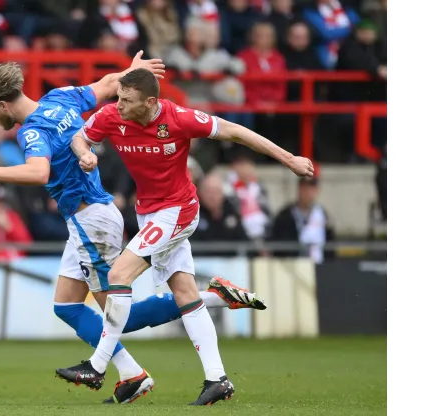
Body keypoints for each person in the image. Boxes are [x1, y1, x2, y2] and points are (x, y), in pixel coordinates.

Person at [0, 53, 266, 404]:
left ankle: (210, 300)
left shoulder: (32, 130)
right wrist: (129, 74)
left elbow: (38, 173)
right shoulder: (60, 96)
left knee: (118, 315)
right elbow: (108, 85)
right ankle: (131, 373)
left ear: (3, 104)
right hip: (87, 217)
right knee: (66, 306)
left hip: (90, 221)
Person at [58, 68, 313, 406]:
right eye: (118, 97)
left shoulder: (179, 118)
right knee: (184, 293)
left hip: (178, 210)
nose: (117, 104)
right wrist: (84, 153)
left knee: (120, 275)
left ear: (151, 102)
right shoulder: (110, 116)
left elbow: (236, 132)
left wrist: (289, 159)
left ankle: (98, 364)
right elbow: (81, 136)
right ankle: (217, 377)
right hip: (148, 211)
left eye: (127, 100)